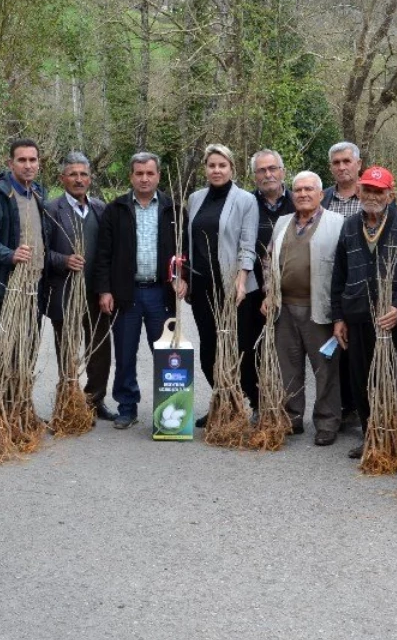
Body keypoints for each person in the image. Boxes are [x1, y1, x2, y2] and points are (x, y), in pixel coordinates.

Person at [330, 166, 397, 459]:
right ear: (359, 191)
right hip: (357, 315)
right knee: (362, 379)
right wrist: (339, 317)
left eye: (379, 191)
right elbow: (338, 274)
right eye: (367, 190)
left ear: (390, 194)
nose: (372, 196)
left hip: (394, 319)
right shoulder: (349, 225)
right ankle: (371, 435)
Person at [95, 152, 180, 429]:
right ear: (131, 176)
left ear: (158, 175)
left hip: (161, 293)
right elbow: (103, 254)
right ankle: (127, 407)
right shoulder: (116, 209)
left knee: (167, 355)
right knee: (125, 353)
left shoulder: (172, 209)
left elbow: (185, 250)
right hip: (126, 294)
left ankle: (168, 409)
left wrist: (184, 277)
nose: (144, 178)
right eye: (139, 173)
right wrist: (105, 290)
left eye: (150, 173)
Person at [265, 171, 345, 444]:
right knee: (289, 366)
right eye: (298, 190)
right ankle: (292, 417)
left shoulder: (337, 223)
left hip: (318, 309)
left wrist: (339, 314)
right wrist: (268, 293)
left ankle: (327, 422)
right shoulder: (283, 222)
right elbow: (270, 262)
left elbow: (342, 269)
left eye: (309, 189)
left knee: (325, 369)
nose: (302, 194)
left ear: (321, 194)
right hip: (284, 307)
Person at [185, 143, 258, 426]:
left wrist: (240, 282)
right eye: (212, 165)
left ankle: (242, 403)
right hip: (202, 287)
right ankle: (222, 401)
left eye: (222, 165)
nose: (216, 170)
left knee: (236, 348)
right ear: (205, 168)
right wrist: (185, 279)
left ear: (231, 168)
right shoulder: (195, 199)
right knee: (209, 350)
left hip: (233, 289)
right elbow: (188, 243)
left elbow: (247, 245)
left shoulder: (245, 200)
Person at [45, 152, 115, 421]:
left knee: (99, 349)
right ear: (62, 178)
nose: (78, 179)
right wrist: (63, 260)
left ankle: (95, 400)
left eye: (83, 174)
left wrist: (107, 288)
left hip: (96, 293)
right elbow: (41, 254)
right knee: (67, 349)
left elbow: (108, 252)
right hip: (64, 292)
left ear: (90, 178)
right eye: (72, 174)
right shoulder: (51, 210)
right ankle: (69, 401)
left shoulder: (100, 208)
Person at [242, 149, 294, 414]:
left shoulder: (298, 202)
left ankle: (287, 406)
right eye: (262, 170)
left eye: (272, 168)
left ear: (282, 171)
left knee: (287, 351)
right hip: (253, 291)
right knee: (253, 348)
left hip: (292, 291)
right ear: (254, 176)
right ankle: (258, 403)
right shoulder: (247, 204)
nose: (268, 174)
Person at [0, 138, 51, 318]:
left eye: (32, 160)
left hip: (37, 282)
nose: (28, 165)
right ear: (10, 163)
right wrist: (11, 255)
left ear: (39, 163)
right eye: (22, 160)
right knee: (12, 344)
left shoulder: (38, 193)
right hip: (10, 284)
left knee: (32, 341)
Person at [321, 141, 363, 424]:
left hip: (361, 287)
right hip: (328, 286)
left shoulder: (374, 194)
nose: (342, 167)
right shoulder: (322, 198)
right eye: (336, 163)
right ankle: (342, 406)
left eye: (347, 161)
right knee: (334, 348)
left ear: (359, 164)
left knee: (359, 352)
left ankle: (361, 406)